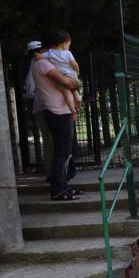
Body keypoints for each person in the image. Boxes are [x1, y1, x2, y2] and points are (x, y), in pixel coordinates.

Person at [33, 30, 83, 201]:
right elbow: (67, 82)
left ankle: (63, 187)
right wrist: (77, 84)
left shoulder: (44, 61)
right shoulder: (43, 64)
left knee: (65, 153)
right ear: (54, 45)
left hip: (61, 112)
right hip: (58, 113)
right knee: (61, 154)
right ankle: (57, 190)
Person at [23, 40, 55, 179]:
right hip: (49, 105)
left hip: (43, 105)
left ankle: (53, 172)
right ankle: (56, 173)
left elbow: (30, 85)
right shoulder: (43, 62)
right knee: (53, 140)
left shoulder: (36, 63)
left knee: (49, 140)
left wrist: (29, 98)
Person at [42, 30, 81, 122]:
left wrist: (36, 55)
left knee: (66, 91)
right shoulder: (68, 53)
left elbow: (41, 57)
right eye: (68, 45)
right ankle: (77, 97)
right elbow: (74, 64)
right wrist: (77, 71)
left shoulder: (50, 53)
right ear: (64, 44)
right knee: (74, 88)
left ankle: (72, 110)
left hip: (61, 76)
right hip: (71, 74)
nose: (68, 47)